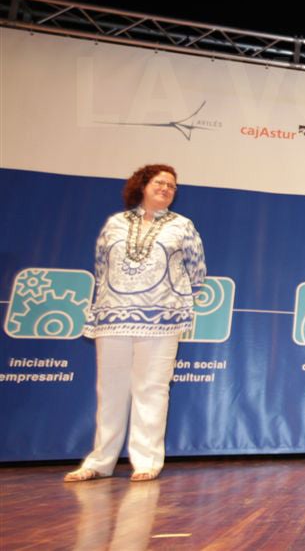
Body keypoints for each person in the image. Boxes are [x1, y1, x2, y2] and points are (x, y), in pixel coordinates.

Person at [64, 164, 206, 483]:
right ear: (142, 185)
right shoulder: (115, 223)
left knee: (152, 388)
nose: (167, 188)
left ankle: (146, 460)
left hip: (162, 319)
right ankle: (100, 461)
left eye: (172, 186)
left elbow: (197, 271)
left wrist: (171, 298)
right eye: (160, 182)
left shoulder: (182, 225)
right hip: (113, 317)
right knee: (111, 389)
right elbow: (101, 265)